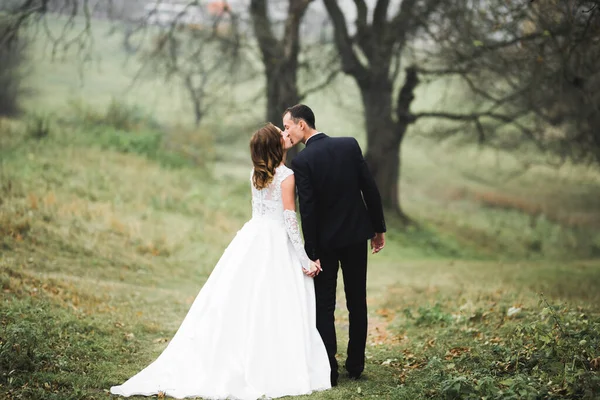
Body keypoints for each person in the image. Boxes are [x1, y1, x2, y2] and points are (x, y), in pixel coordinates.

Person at [110, 123, 331, 399]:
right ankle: (272, 359)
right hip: (274, 241)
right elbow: (289, 220)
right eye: (282, 135)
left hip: (252, 236)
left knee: (244, 297)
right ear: (277, 147)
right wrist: (305, 258)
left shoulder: (256, 173)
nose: (287, 136)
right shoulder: (286, 176)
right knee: (274, 299)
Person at [283, 104, 386, 387]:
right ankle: (355, 365)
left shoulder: (302, 163)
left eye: (288, 125)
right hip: (355, 237)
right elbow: (370, 188)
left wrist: (310, 253)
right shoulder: (348, 145)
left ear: (301, 125)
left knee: (324, 306)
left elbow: (310, 210)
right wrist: (378, 229)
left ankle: (329, 368)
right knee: (357, 300)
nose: (286, 131)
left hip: (325, 245)